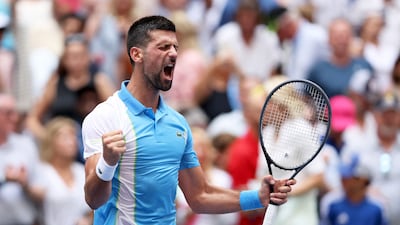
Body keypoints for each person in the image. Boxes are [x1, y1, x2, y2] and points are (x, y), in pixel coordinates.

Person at [81, 15, 295, 225]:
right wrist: (107, 163)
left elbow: (200, 195)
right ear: (137, 54)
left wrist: (258, 197)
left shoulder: (178, 124)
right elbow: (93, 199)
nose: (173, 53)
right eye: (163, 47)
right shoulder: (105, 116)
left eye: (175, 47)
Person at [30, 117, 92, 225]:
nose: (71, 141)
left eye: (74, 136)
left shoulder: (81, 170)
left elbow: (93, 206)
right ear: (51, 141)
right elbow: (34, 197)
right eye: (65, 137)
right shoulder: (42, 170)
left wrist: (88, 220)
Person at [307, 18, 374, 98]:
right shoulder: (318, 70)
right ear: (329, 39)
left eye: (345, 35)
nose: (341, 40)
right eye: (337, 36)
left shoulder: (364, 65)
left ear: (351, 38)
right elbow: (308, 101)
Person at [0, 93, 40, 225]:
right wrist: (4, 179)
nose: (15, 118)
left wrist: (25, 185)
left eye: (15, 112)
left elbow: (41, 191)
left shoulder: (26, 144)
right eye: (8, 113)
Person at [320, 153, 388, 225]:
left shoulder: (377, 207)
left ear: (363, 180)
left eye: (348, 176)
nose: (343, 179)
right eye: (342, 176)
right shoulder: (331, 203)